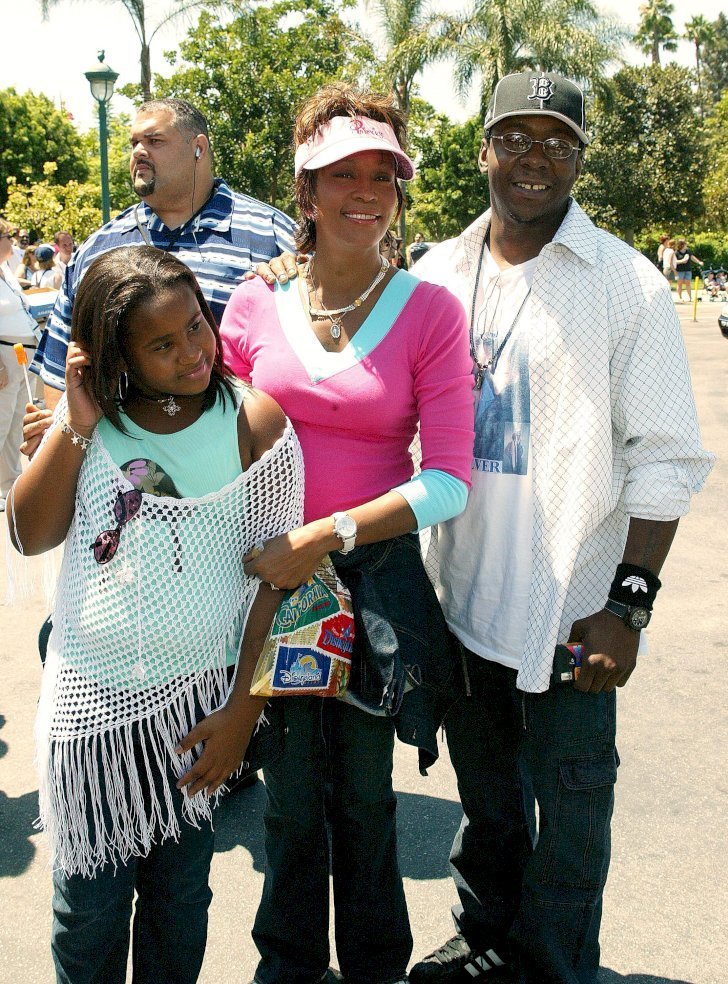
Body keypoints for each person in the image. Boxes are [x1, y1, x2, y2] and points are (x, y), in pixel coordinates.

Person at [260, 70, 714, 984]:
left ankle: (553, 965)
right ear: (483, 152)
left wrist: (629, 604)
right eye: (515, 137)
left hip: (571, 608)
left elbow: (667, 456)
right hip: (459, 600)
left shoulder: (627, 286)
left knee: (572, 813)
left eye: (557, 141)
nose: (535, 157)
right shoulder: (436, 271)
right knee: (490, 802)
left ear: (582, 158)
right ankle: (484, 940)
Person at [221, 82, 474, 984]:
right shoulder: (252, 308)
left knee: (366, 803)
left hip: (371, 586)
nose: (364, 192)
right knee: (288, 806)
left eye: (383, 175)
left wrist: (324, 535)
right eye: (341, 175)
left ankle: (374, 970)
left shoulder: (432, 312)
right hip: (268, 586)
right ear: (305, 190)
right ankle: (286, 967)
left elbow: (447, 483)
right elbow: (213, 442)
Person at [6, 245, 304, 984]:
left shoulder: (254, 423)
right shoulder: (92, 426)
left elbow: (274, 584)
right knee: (88, 913)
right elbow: (29, 532)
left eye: (196, 327)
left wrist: (243, 713)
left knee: (179, 901)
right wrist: (75, 424)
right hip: (90, 715)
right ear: (117, 355)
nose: (191, 353)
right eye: (162, 345)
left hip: (199, 714)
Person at [29, 97, 296, 394]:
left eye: (155, 141)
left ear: (199, 148)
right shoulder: (96, 250)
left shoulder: (273, 237)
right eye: (134, 144)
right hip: (119, 438)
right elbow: (60, 370)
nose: (139, 152)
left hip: (242, 435)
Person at [0, 219, 39, 512]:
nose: (11, 241)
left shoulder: (5, 272)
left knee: (15, 421)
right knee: (1, 421)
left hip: (23, 354)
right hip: (4, 356)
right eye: (6, 236)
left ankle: (8, 480)